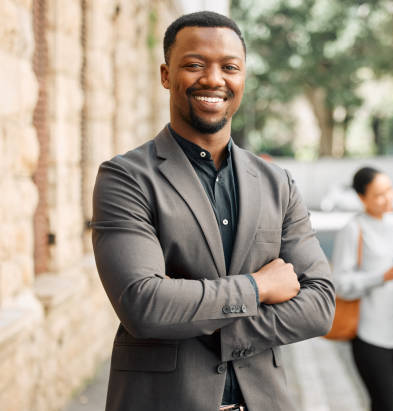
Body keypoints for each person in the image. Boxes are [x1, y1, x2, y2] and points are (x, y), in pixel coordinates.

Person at [91, 11, 335, 411]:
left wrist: (202, 319)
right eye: (194, 65)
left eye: (229, 67)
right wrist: (259, 288)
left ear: (243, 79)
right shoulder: (126, 178)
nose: (214, 79)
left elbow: (320, 304)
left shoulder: (278, 184)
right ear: (166, 75)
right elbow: (144, 304)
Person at [332, 166, 393, 411]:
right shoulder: (353, 229)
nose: (388, 197)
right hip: (370, 335)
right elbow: (340, 284)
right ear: (362, 198)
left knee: (382, 406)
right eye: (379, 194)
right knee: (387, 406)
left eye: (389, 190)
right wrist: (382, 276)